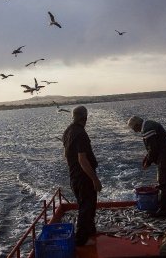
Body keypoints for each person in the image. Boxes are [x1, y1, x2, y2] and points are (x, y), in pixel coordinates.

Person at [62, 105, 102, 246]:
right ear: (84, 118)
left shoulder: (68, 131)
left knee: (84, 205)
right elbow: (82, 159)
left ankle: (90, 230)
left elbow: (66, 154)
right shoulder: (80, 134)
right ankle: (80, 240)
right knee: (87, 207)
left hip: (74, 176)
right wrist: (95, 180)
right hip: (83, 178)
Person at [127, 115, 166, 217]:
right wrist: (146, 157)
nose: (135, 131)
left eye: (134, 128)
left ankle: (164, 211)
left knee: (163, 184)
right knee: (164, 183)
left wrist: (148, 162)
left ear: (137, 125)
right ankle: (165, 207)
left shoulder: (147, 129)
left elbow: (153, 149)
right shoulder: (149, 124)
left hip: (165, 158)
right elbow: (153, 147)